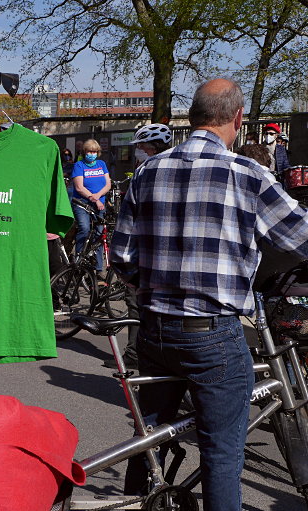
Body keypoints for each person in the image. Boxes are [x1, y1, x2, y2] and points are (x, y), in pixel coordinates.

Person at [112, 78, 308, 511]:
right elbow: (301, 237)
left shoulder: (149, 170)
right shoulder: (247, 174)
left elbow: (121, 256)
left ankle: (134, 501)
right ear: (237, 118)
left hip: (154, 328)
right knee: (221, 452)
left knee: (151, 437)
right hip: (212, 334)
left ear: (195, 115)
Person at [103, 123, 172, 370]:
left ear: (151, 146)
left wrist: (124, 266)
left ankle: (134, 353)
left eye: (141, 145)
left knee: (135, 303)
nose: (138, 150)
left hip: (145, 253)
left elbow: (128, 222)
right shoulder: (177, 168)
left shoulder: (147, 171)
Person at [70, 138, 110, 277]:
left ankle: (99, 268)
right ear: (84, 152)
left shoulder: (101, 164)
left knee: (99, 234)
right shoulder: (79, 166)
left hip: (99, 204)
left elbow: (107, 184)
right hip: (82, 203)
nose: (91, 154)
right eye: (89, 151)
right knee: (85, 228)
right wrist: (94, 198)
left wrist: (98, 198)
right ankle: (78, 261)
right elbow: (79, 187)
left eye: (94, 151)